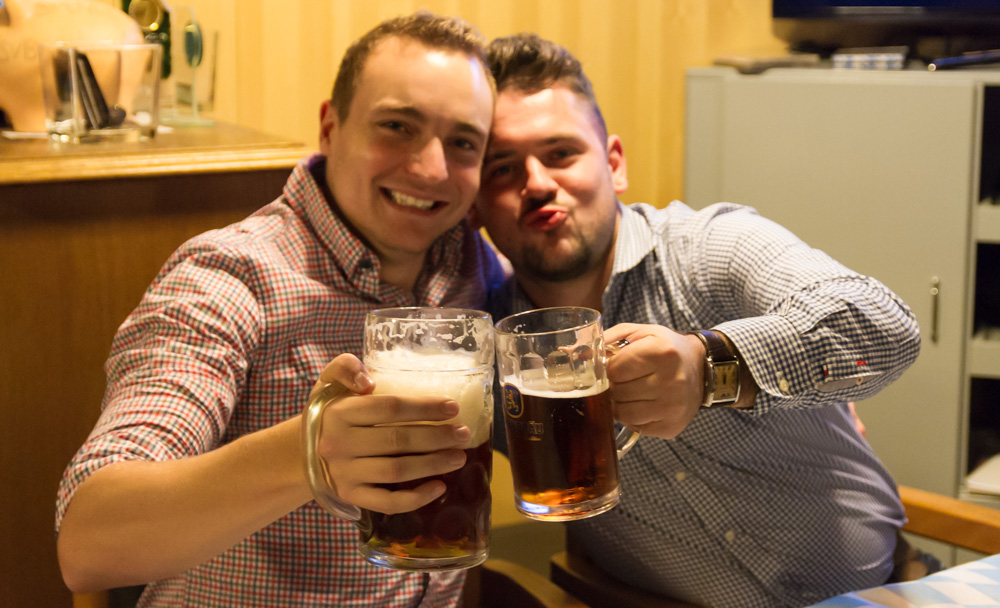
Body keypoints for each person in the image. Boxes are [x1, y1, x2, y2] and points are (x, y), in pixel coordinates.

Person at [55, 12, 504, 607]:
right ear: (330, 128)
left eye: (463, 143)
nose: (431, 168)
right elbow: (89, 543)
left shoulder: (468, 261)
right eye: (397, 126)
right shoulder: (229, 276)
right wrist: (309, 452)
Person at [473, 33, 921, 608]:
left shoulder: (709, 250)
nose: (536, 183)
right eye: (502, 168)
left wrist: (712, 367)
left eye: (561, 153)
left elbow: (886, 327)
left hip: (882, 590)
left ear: (614, 163)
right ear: (474, 203)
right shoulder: (494, 355)